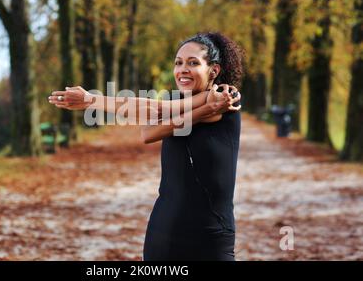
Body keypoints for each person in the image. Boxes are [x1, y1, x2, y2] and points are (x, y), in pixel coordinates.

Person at [48, 31, 244, 261]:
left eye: (193, 63)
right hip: (166, 229)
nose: (183, 70)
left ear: (214, 70)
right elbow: (148, 126)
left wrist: (92, 100)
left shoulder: (226, 96)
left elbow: (156, 114)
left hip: (211, 233)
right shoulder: (182, 102)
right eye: (178, 63)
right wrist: (90, 100)